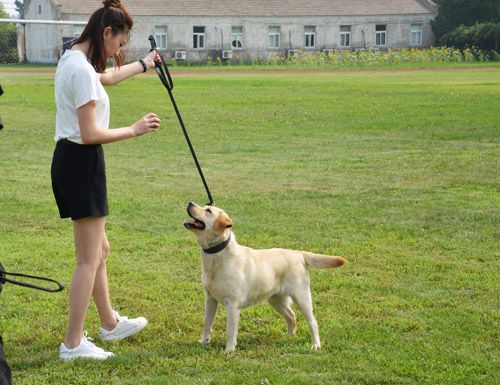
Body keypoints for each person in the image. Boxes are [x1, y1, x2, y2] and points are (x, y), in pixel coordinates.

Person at [51, 0, 161, 361]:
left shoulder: (73, 59)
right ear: (105, 33)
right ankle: (72, 343)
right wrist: (134, 129)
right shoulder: (81, 71)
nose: (119, 52)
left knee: (100, 250)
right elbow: (90, 132)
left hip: (72, 161)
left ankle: (110, 324)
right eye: (118, 44)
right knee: (88, 259)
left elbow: (109, 77)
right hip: (82, 162)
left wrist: (145, 65)